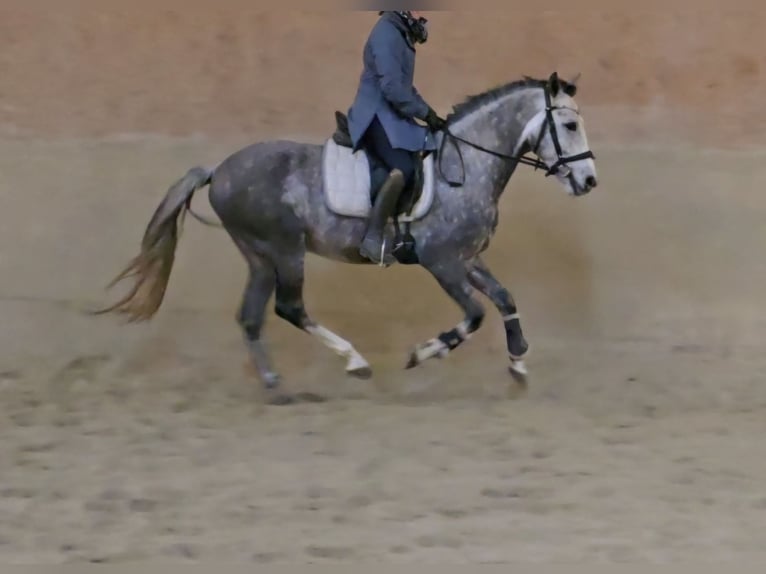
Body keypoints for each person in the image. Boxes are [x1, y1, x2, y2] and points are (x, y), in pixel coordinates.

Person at [347, 10, 447, 265]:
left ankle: (404, 233)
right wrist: (424, 113)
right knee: (402, 167)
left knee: (426, 151)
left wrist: (429, 113)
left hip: (392, 116)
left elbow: (405, 87)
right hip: (375, 115)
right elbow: (392, 88)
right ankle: (372, 237)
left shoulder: (399, 34)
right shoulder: (386, 33)